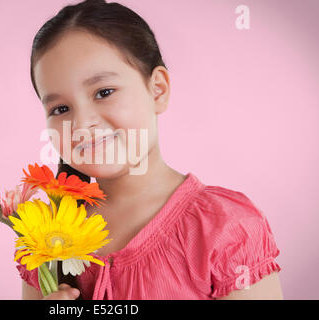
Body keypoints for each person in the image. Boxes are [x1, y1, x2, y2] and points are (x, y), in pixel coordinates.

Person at [17, 0, 283, 300]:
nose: (82, 123)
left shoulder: (227, 228)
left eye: (104, 92)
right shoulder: (44, 237)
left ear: (157, 89)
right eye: (60, 108)